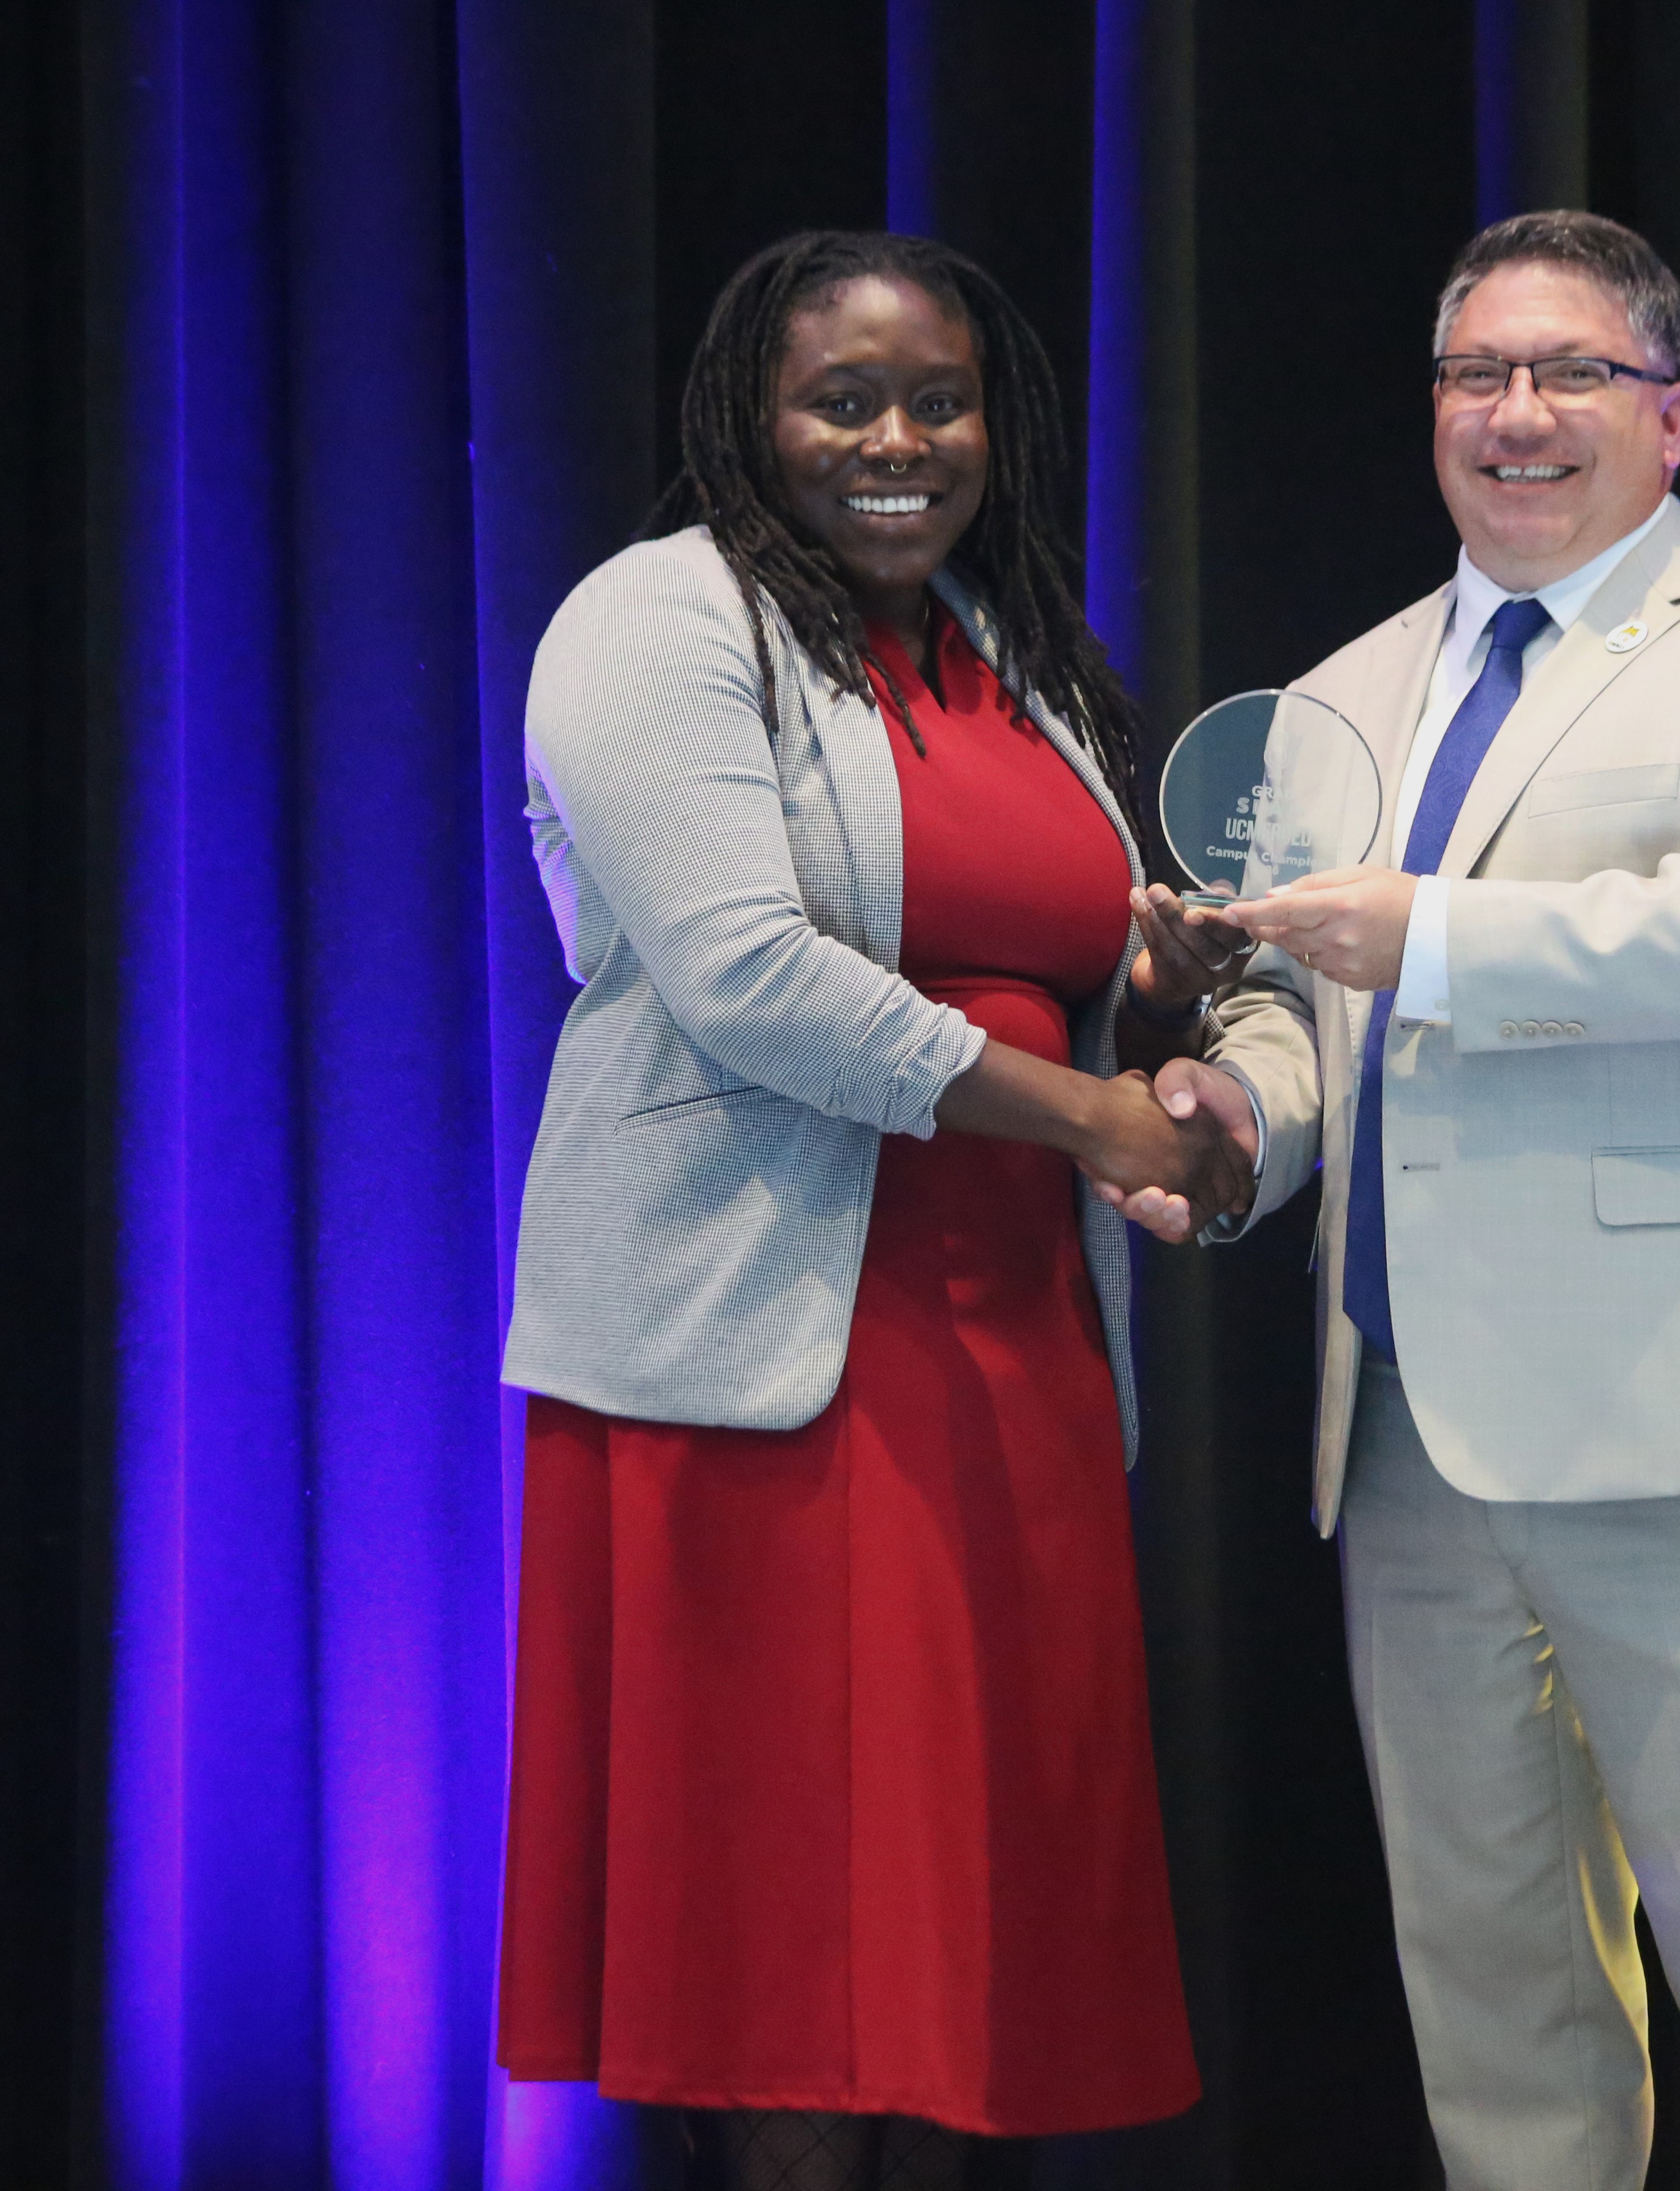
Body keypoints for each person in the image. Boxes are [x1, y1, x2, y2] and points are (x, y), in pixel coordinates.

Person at [1115, 212, 1680, 2191]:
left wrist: (1427, 930)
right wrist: (1227, 1113)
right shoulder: (1346, 691)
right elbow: (1317, 1015)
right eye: (1475, 377)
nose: (1516, 415)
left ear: (1669, 416)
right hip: (1403, 1442)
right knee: (1493, 2000)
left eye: (1568, 372)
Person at [494, 230, 1238, 2191]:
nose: (898, 439)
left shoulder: (1014, 655)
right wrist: (1086, 1107)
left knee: (955, 1947)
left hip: (1012, 1358)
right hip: (762, 1359)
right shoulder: (659, 615)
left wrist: (1150, 1029)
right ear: (756, 416)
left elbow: (1055, 963)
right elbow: (741, 971)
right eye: (844, 399)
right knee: (788, 1952)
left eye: (940, 398)